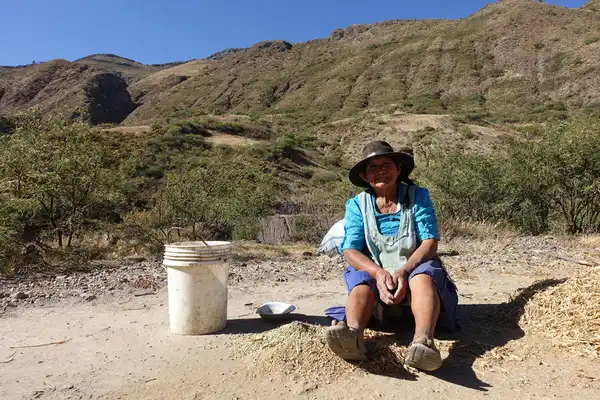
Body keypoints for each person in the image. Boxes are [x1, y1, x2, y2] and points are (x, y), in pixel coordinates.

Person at [324, 140, 458, 371]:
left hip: (414, 265)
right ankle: (354, 335)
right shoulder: (357, 204)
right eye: (373, 167)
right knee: (360, 282)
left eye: (386, 164)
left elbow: (429, 242)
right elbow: (351, 249)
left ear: (398, 169)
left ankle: (423, 342)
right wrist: (377, 273)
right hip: (377, 274)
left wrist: (404, 271)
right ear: (366, 177)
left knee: (423, 277)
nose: (381, 170)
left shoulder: (418, 196)